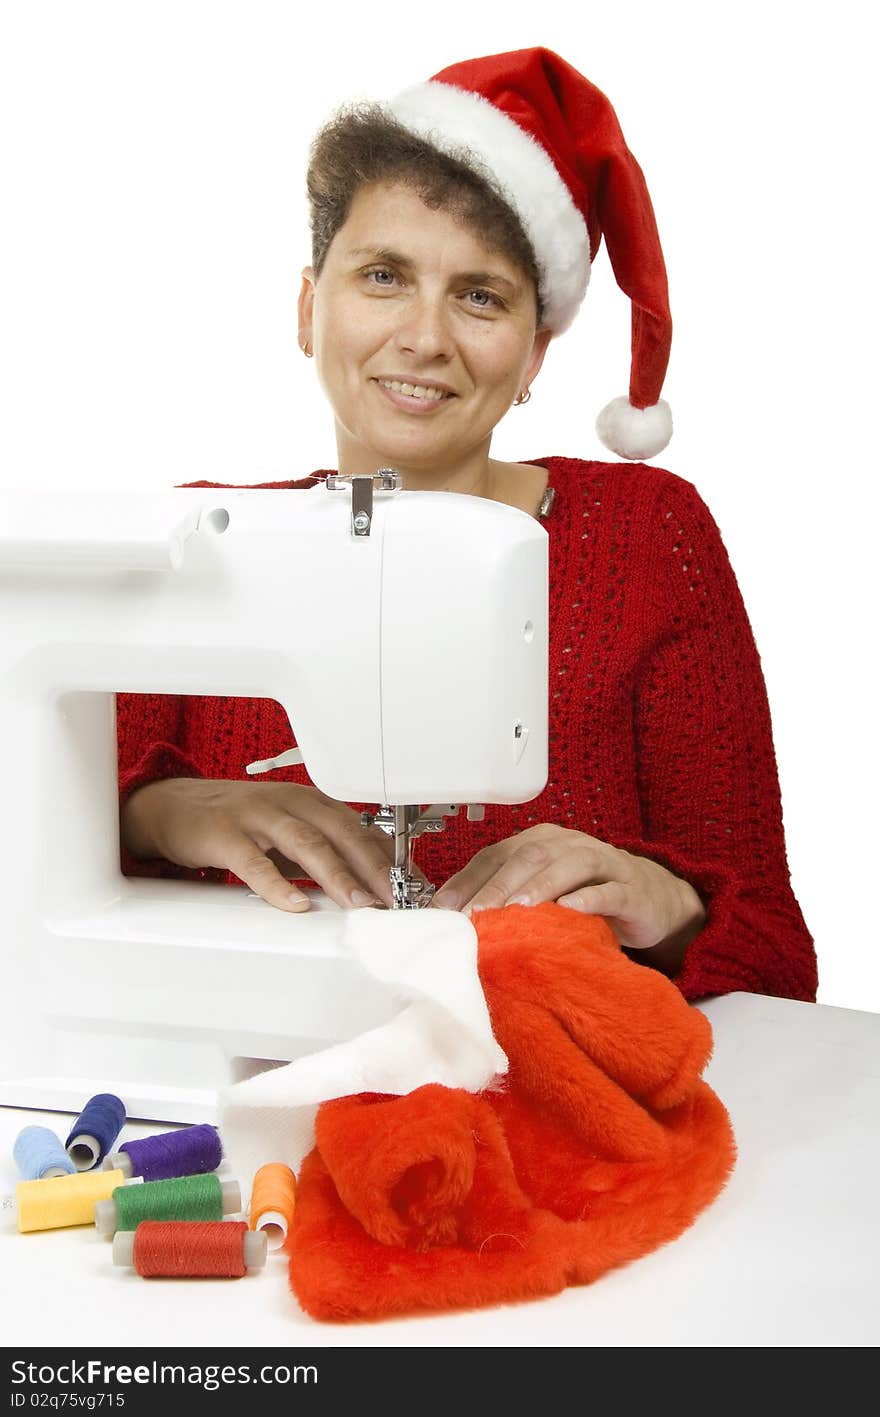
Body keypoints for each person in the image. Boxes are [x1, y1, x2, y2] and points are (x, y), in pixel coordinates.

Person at [116, 47, 817, 1005]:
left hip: (557, 1109)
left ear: (535, 353)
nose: (426, 337)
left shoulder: (650, 537)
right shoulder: (201, 536)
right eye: (383, 276)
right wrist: (158, 812)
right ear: (308, 308)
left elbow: (777, 954)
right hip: (242, 1096)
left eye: (480, 295)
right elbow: (38, 839)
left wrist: (671, 904)